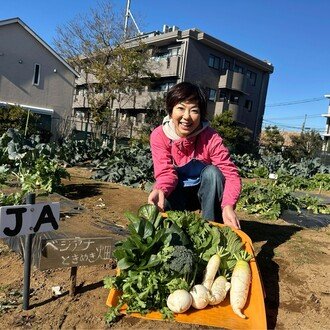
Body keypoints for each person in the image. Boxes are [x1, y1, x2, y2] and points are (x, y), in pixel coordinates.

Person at [147, 82, 242, 229]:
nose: (187, 117)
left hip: (204, 195)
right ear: (171, 111)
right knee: (165, 213)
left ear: (201, 114)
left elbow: (230, 174)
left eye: (194, 110)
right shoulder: (159, 135)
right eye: (180, 108)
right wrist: (161, 189)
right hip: (176, 191)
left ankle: (212, 228)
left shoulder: (210, 137)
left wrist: (228, 205)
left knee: (213, 173)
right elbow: (166, 173)